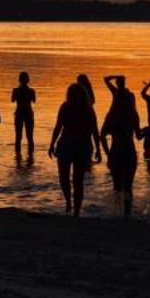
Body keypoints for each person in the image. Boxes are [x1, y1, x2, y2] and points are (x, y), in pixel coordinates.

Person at [48, 81, 100, 216]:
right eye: (73, 93)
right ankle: (68, 202)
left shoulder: (88, 109)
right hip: (65, 145)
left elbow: (95, 130)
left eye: (78, 94)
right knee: (63, 177)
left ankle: (76, 210)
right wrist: (51, 144)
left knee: (78, 180)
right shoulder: (65, 107)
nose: (75, 96)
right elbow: (58, 126)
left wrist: (98, 149)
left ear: (82, 95)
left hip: (82, 146)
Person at [102, 75, 142, 216]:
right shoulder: (133, 115)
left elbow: (102, 135)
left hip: (115, 151)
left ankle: (116, 212)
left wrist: (107, 153)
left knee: (117, 186)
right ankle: (127, 213)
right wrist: (147, 130)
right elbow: (139, 136)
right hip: (129, 152)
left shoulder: (111, 115)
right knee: (128, 187)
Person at [9, 71, 38, 160]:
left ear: (19, 80)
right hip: (26, 114)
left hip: (21, 114)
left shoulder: (17, 90)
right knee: (28, 137)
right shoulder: (30, 91)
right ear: (28, 80)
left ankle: (20, 157)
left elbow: (12, 100)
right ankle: (29, 157)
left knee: (20, 137)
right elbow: (34, 100)